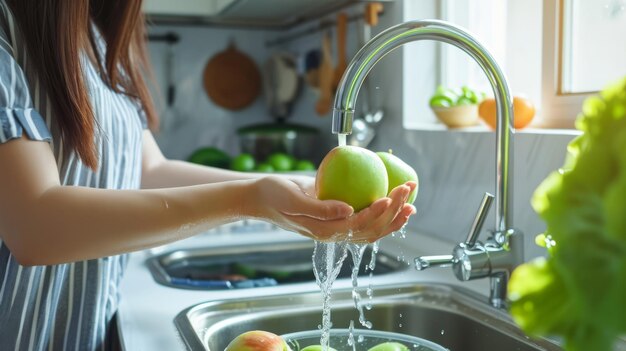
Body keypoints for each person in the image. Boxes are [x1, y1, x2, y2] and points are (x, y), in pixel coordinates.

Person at [0, 1, 417, 350]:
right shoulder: (7, 30)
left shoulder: (99, 38)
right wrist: (248, 199)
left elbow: (147, 170)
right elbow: (33, 226)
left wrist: (305, 189)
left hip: (83, 334)